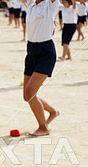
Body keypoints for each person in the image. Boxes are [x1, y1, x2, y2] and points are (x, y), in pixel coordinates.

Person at [22, 0, 60, 136]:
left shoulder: (50, 4)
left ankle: (43, 127)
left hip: (46, 52)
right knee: (27, 96)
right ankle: (53, 112)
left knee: (30, 92)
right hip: (31, 50)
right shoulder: (31, 3)